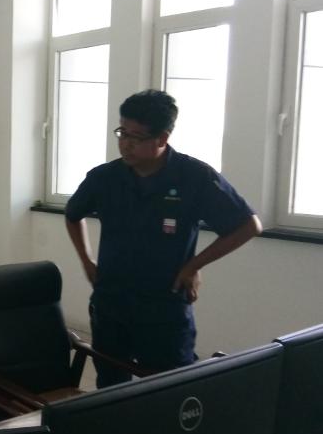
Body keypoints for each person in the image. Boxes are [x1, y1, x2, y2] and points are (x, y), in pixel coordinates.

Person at [65, 89, 261, 387]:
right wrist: (86, 261)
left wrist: (193, 266)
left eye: (136, 137)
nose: (125, 144)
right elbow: (73, 214)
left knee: (169, 388)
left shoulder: (194, 176)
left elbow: (248, 225)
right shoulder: (104, 178)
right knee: (110, 386)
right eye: (122, 133)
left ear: (162, 138)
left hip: (164, 306)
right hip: (112, 301)